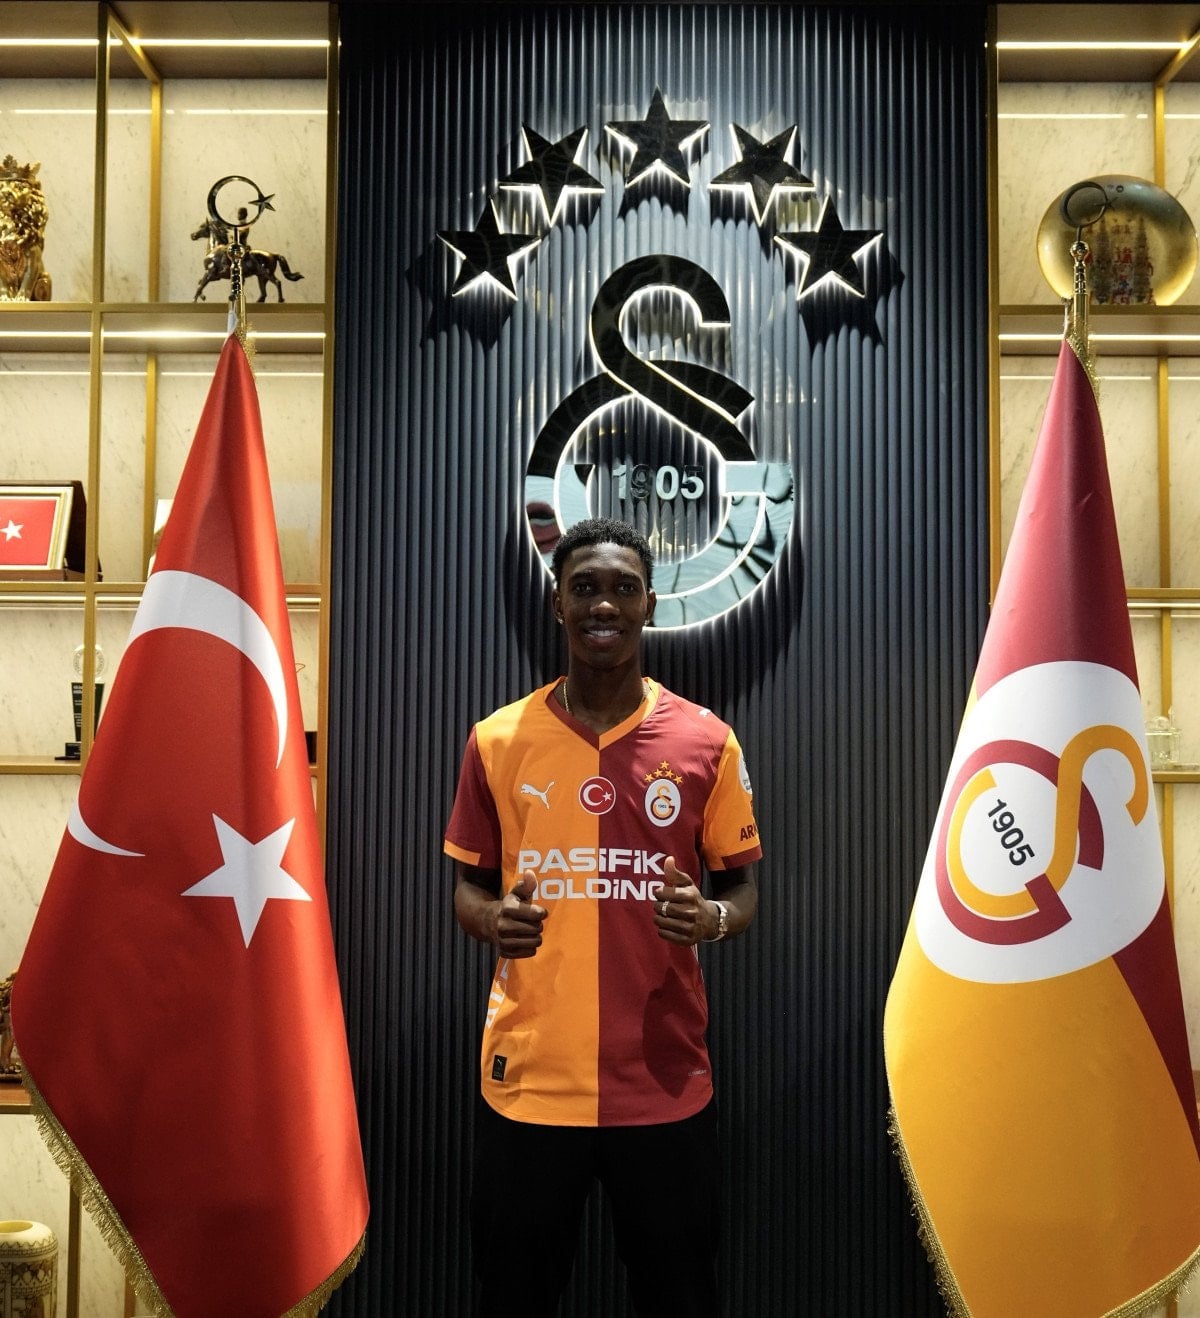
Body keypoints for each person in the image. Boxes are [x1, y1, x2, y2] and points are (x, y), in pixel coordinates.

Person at [444, 516, 761, 1318]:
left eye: (624, 588)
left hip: (663, 1083)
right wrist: (490, 920)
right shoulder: (496, 740)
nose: (604, 605)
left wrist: (710, 919)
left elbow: (743, 892)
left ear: (650, 604)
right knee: (512, 1300)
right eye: (584, 587)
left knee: (680, 1301)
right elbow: (467, 890)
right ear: (558, 603)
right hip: (530, 1081)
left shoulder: (707, 742)